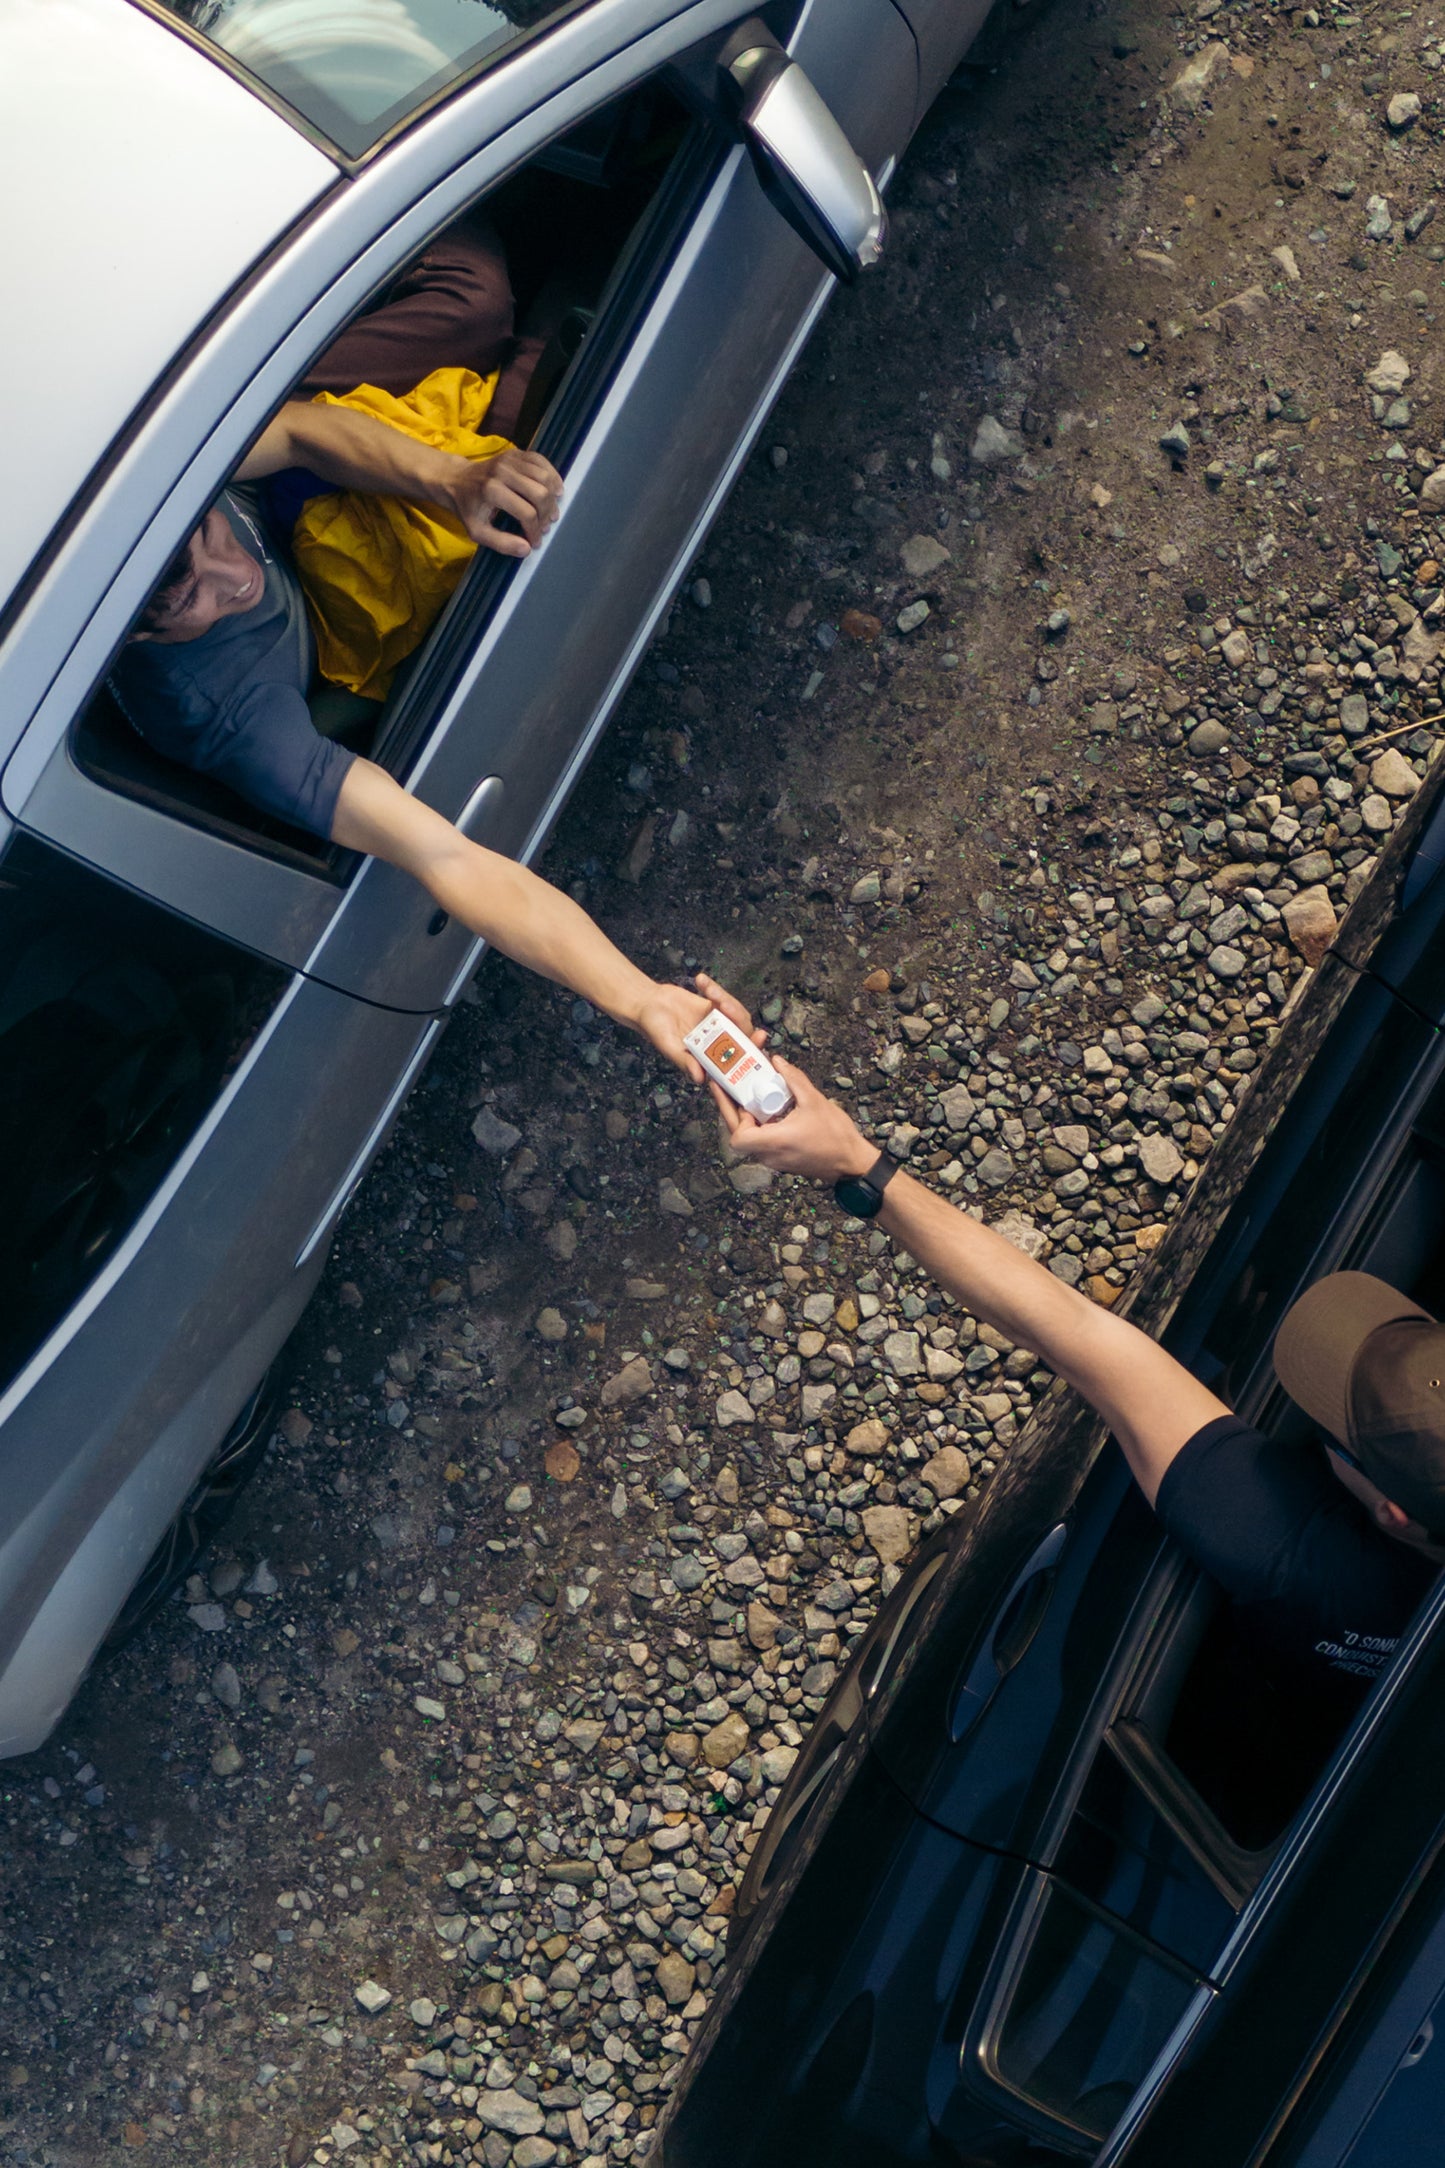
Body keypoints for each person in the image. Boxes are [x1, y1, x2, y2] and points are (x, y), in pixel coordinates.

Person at [103, 221, 740, 1081]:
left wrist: (453, 479)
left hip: (311, 494)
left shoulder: (145, 493)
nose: (234, 579)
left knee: (472, 292)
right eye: (194, 604)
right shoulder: (232, 720)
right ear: (134, 638)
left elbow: (296, 432)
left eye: (210, 537)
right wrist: (639, 998)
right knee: (522, 347)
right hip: (340, 576)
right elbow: (447, 857)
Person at [696, 1011, 1443, 1705]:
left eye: (1335, 1423)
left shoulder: (1309, 1564)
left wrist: (855, 1164)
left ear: (1396, 1514)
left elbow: (1075, 1334)